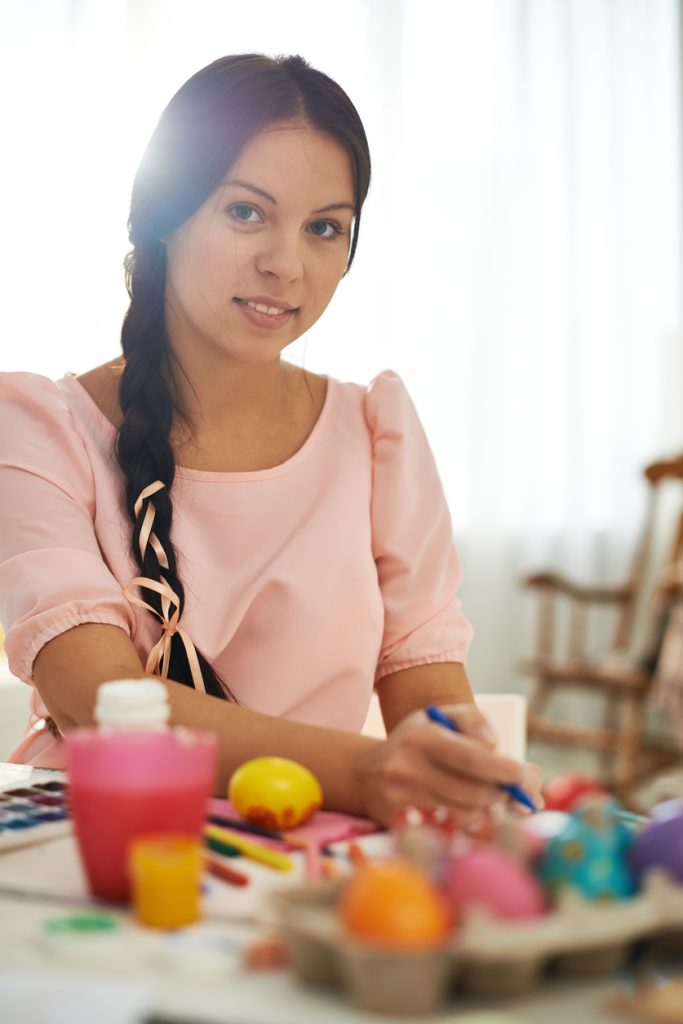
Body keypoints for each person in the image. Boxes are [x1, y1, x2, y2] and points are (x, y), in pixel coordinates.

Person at [0, 53, 541, 827]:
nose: (286, 265)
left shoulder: (374, 430)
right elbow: (97, 702)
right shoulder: (37, 427)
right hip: (90, 848)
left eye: (324, 228)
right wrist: (364, 770)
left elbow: (422, 678)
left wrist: (457, 770)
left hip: (304, 851)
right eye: (246, 212)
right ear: (164, 214)